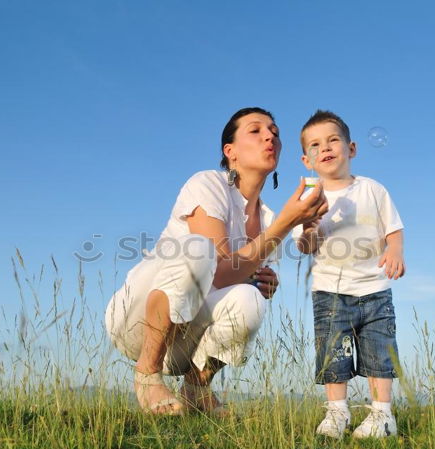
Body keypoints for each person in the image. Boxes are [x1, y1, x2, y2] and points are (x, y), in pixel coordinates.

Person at [105, 107, 328, 415]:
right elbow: (217, 272)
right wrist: (286, 225)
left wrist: (264, 282)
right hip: (139, 323)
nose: (270, 136)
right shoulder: (208, 183)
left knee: (250, 298)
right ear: (230, 151)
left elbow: (241, 282)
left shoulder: (267, 219)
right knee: (199, 249)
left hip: (185, 344)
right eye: (256, 130)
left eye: (275, 132)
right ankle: (146, 376)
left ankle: (196, 388)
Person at [293, 110, 405, 438]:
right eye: (315, 145)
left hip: (374, 288)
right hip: (330, 290)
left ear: (351, 148)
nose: (324, 148)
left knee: (380, 352)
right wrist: (310, 225)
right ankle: (336, 414)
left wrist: (395, 251)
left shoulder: (372, 189)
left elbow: (394, 228)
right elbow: (304, 246)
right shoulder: (309, 199)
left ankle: (382, 416)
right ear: (306, 160)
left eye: (332, 140)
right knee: (333, 354)